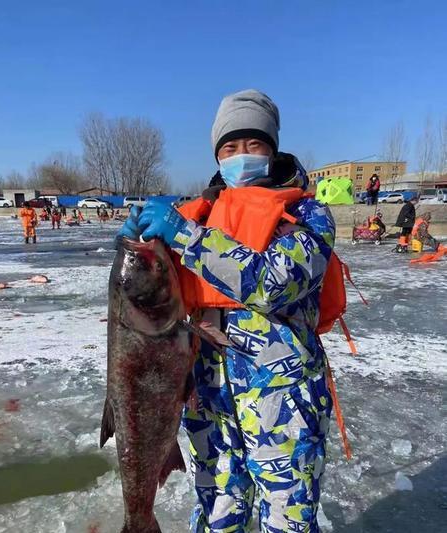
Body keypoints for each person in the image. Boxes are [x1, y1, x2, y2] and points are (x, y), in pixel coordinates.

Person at [119, 89, 335, 532]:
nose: (242, 156)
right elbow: (150, 298)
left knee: (288, 520)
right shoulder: (198, 215)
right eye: (230, 147)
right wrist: (137, 249)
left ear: (272, 149)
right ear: (217, 155)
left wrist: (185, 236)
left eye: (254, 144)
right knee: (217, 514)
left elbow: (274, 283)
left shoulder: (309, 215)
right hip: (208, 397)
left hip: (283, 401)